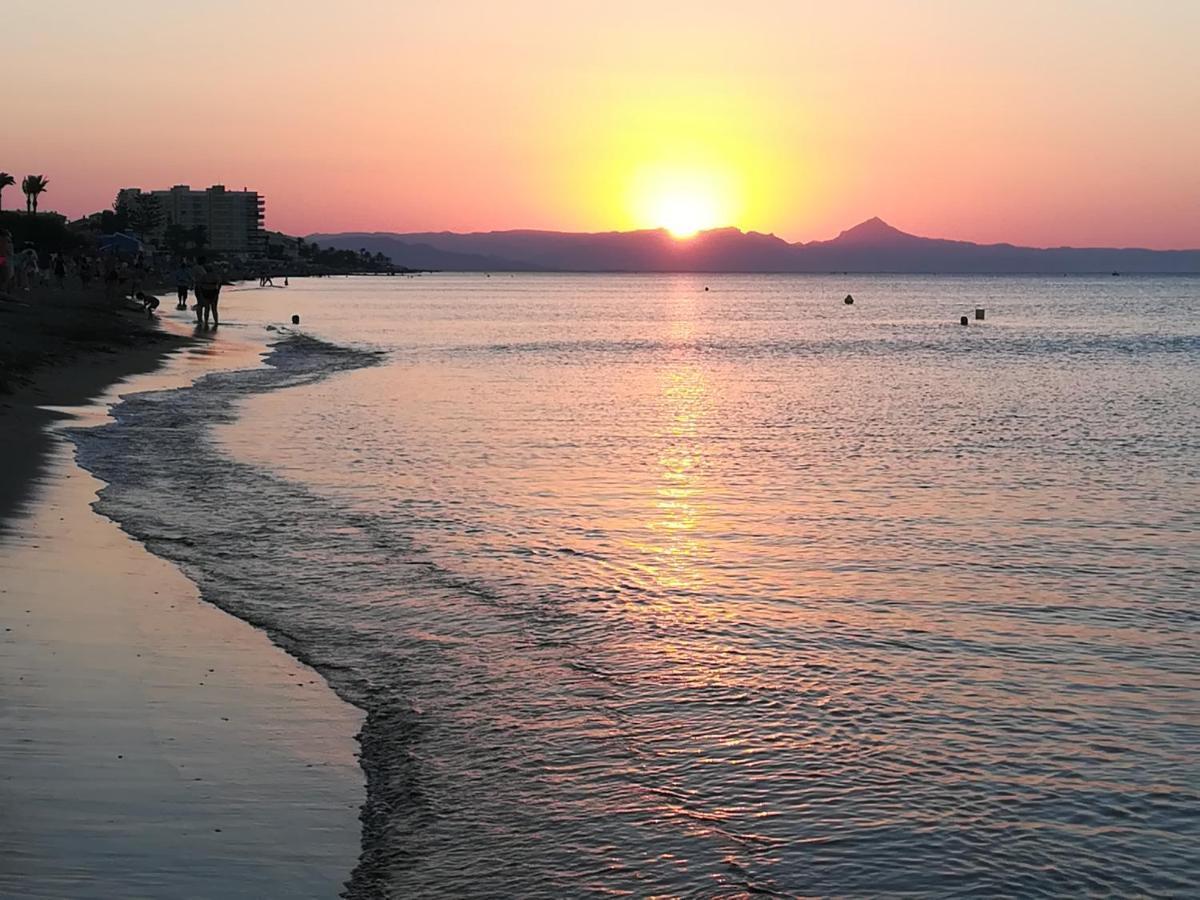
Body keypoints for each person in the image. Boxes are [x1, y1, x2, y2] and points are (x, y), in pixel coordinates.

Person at [0, 229, 14, 293]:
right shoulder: (7, 240)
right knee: (7, 274)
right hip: (4, 258)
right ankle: (5, 289)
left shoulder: (3, 239)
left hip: (2, 258)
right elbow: (10, 252)